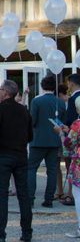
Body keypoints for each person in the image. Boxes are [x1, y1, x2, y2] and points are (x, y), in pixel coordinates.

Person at [0, 80, 33, 242]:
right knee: (23, 195)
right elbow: (30, 135)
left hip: (3, 155)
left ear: (6, 92)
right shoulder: (23, 110)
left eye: (0, 90)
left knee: (2, 195)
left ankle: (0, 233)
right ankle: (27, 233)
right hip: (20, 155)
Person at [27, 74, 66, 208]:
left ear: (42, 87)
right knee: (52, 170)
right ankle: (49, 199)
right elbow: (62, 122)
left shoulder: (36, 101)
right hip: (54, 141)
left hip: (38, 140)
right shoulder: (60, 102)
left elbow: (32, 121)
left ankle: (30, 198)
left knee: (31, 169)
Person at [55, 96, 80, 238]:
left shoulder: (77, 124)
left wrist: (61, 133)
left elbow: (68, 144)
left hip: (79, 164)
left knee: (78, 195)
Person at [63, 74, 80, 207]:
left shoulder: (73, 99)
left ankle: (70, 194)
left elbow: (69, 119)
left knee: (71, 167)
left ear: (71, 83)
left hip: (74, 138)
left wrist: (63, 129)